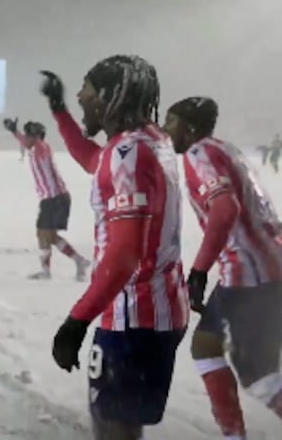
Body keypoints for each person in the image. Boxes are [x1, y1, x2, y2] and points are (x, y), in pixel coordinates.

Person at [41, 55, 189, 440]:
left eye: (87, 91)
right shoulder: (148, 141)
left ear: (110, 96)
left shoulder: (129, 155)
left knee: (114, 428)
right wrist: (59, 111)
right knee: (119, 424)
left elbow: (125, 255)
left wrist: (76, 322)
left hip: (134, 317)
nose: (80, 97)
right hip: (159, 309)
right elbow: (94, 159)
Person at [163, 96, 282, 439]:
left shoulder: (199, 153)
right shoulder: (226, 148)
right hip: (264, 261)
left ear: (189, 127)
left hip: (250, 272)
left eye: (171, 122)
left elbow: (225, 208)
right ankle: (233, 435)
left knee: (257, 373)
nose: (167, 131)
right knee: (206, 346)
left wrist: (200, 270)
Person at [3, 118, 89, 281]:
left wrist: (23, 134)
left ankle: (62, 266)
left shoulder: (41, 148)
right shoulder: (35, 147)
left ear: (36, 137)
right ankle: (75, 262)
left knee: (45, 233)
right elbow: (26, 142)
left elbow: (33, 143)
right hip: (52, 198)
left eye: (28, 135)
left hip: (55, 198)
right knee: (46, 235)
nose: (25, 138)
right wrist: (15, 132)